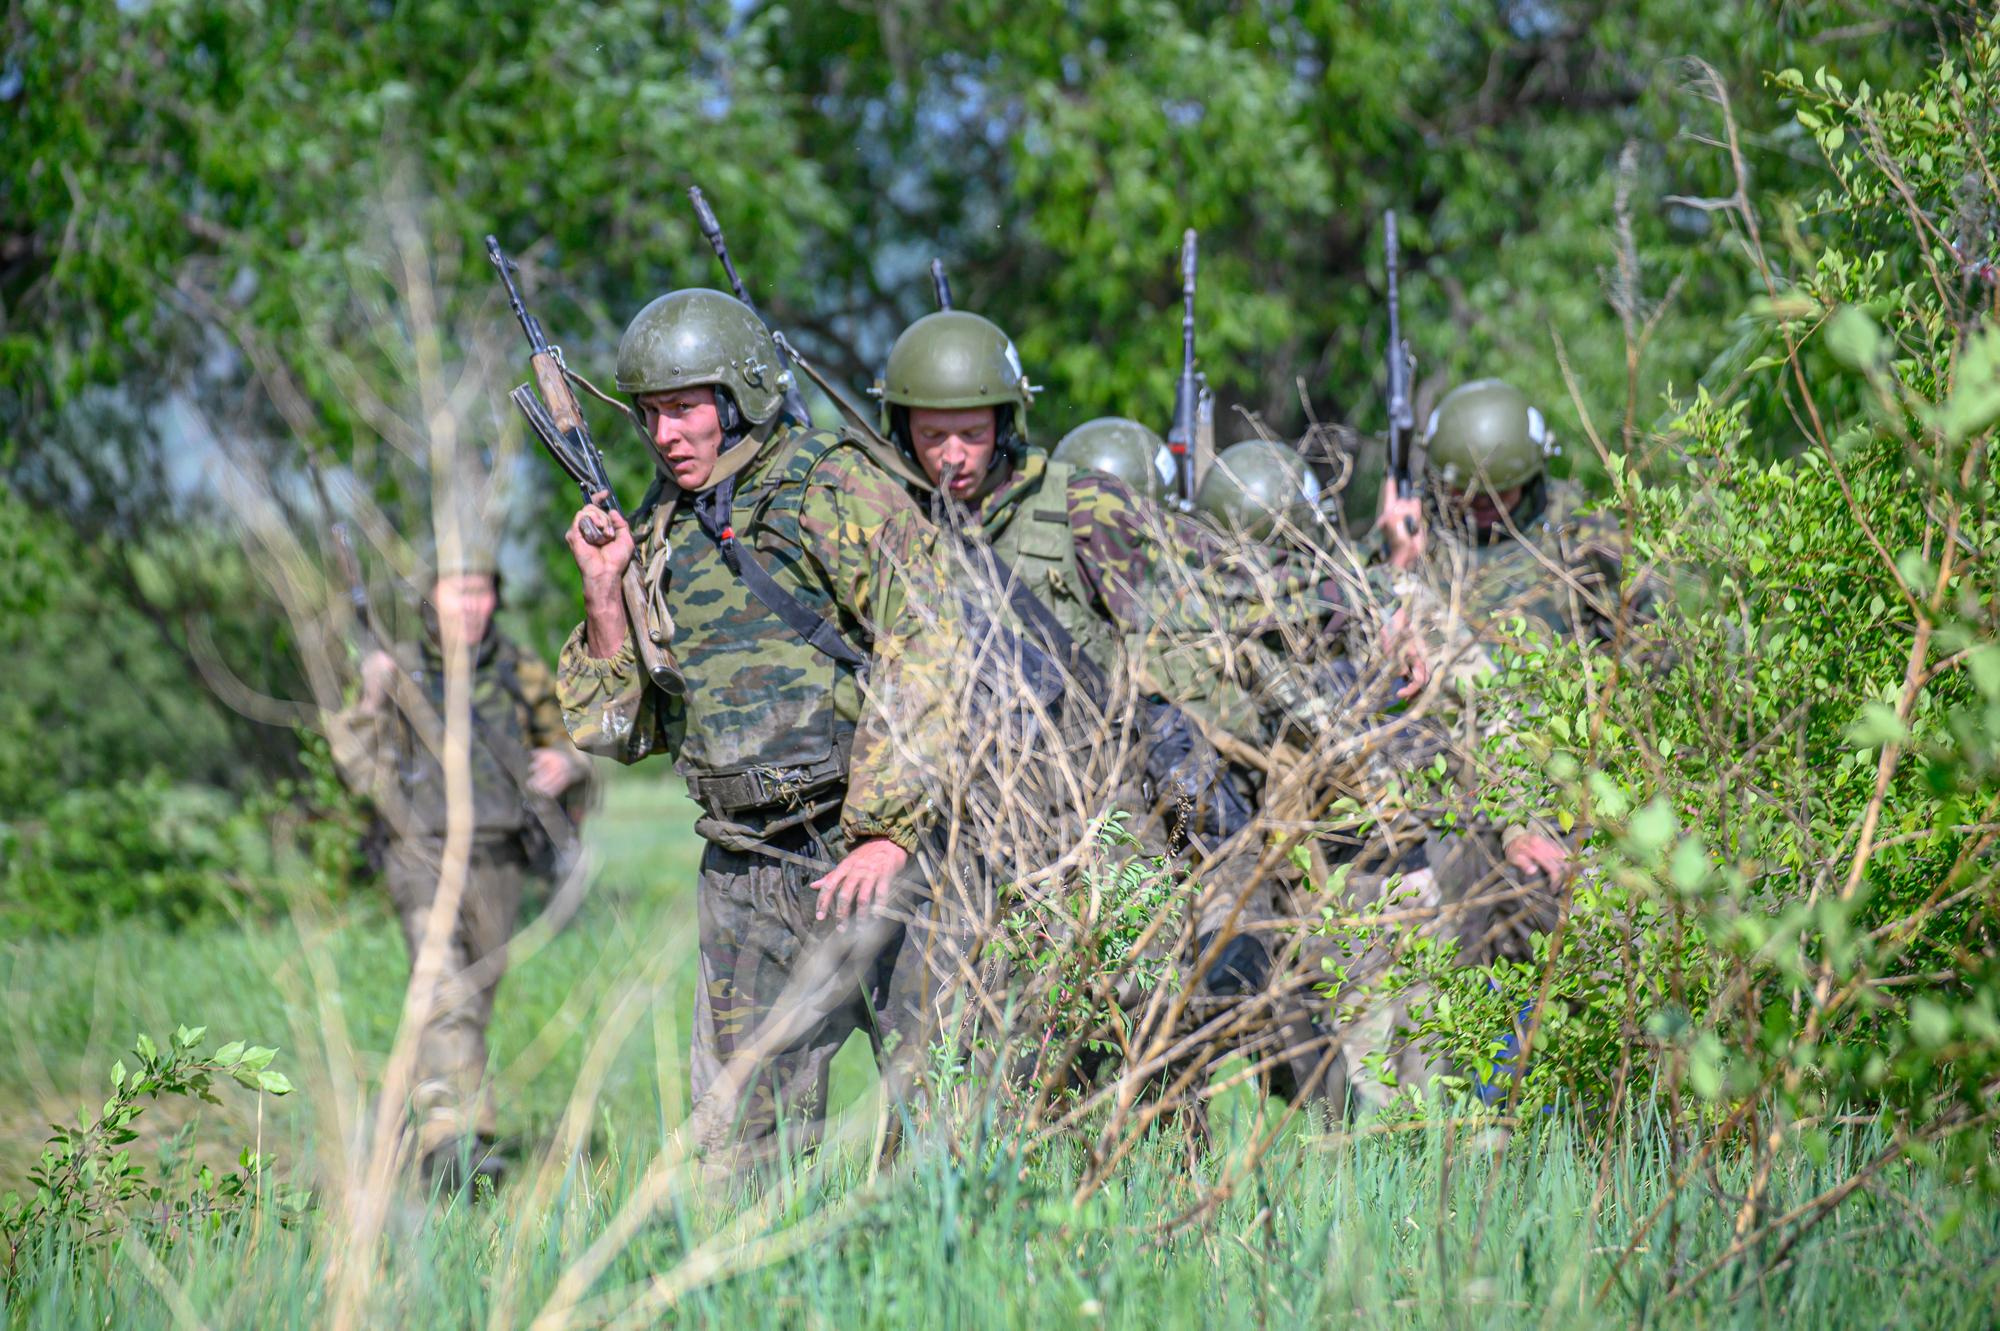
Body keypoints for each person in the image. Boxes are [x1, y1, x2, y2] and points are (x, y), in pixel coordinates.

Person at [555, 287, 957, 1154]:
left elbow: (929, 639)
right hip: (744, 869)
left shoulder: (831, 484)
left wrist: (886, 832)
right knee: (739, 1154)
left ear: (739, 398)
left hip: (874, 851)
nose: (666, 435)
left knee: (939, 1137)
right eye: (651, 413)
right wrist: (603, 590)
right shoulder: (659, 530)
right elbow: (613, 733)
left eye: (686, 409)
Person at [328, 554, 590, 1187]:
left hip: (500, 857)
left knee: (470, 998)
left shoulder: (520, 670)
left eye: (481, 594)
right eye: (456, 593)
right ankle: (459, 1142)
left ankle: (411, 1123)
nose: (470, 607)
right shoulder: (398, 673)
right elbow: (356, 772)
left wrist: (567, 766)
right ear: (430, 600)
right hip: (420, 854)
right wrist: (369, 693)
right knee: (443, 991)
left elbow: (579, 738)